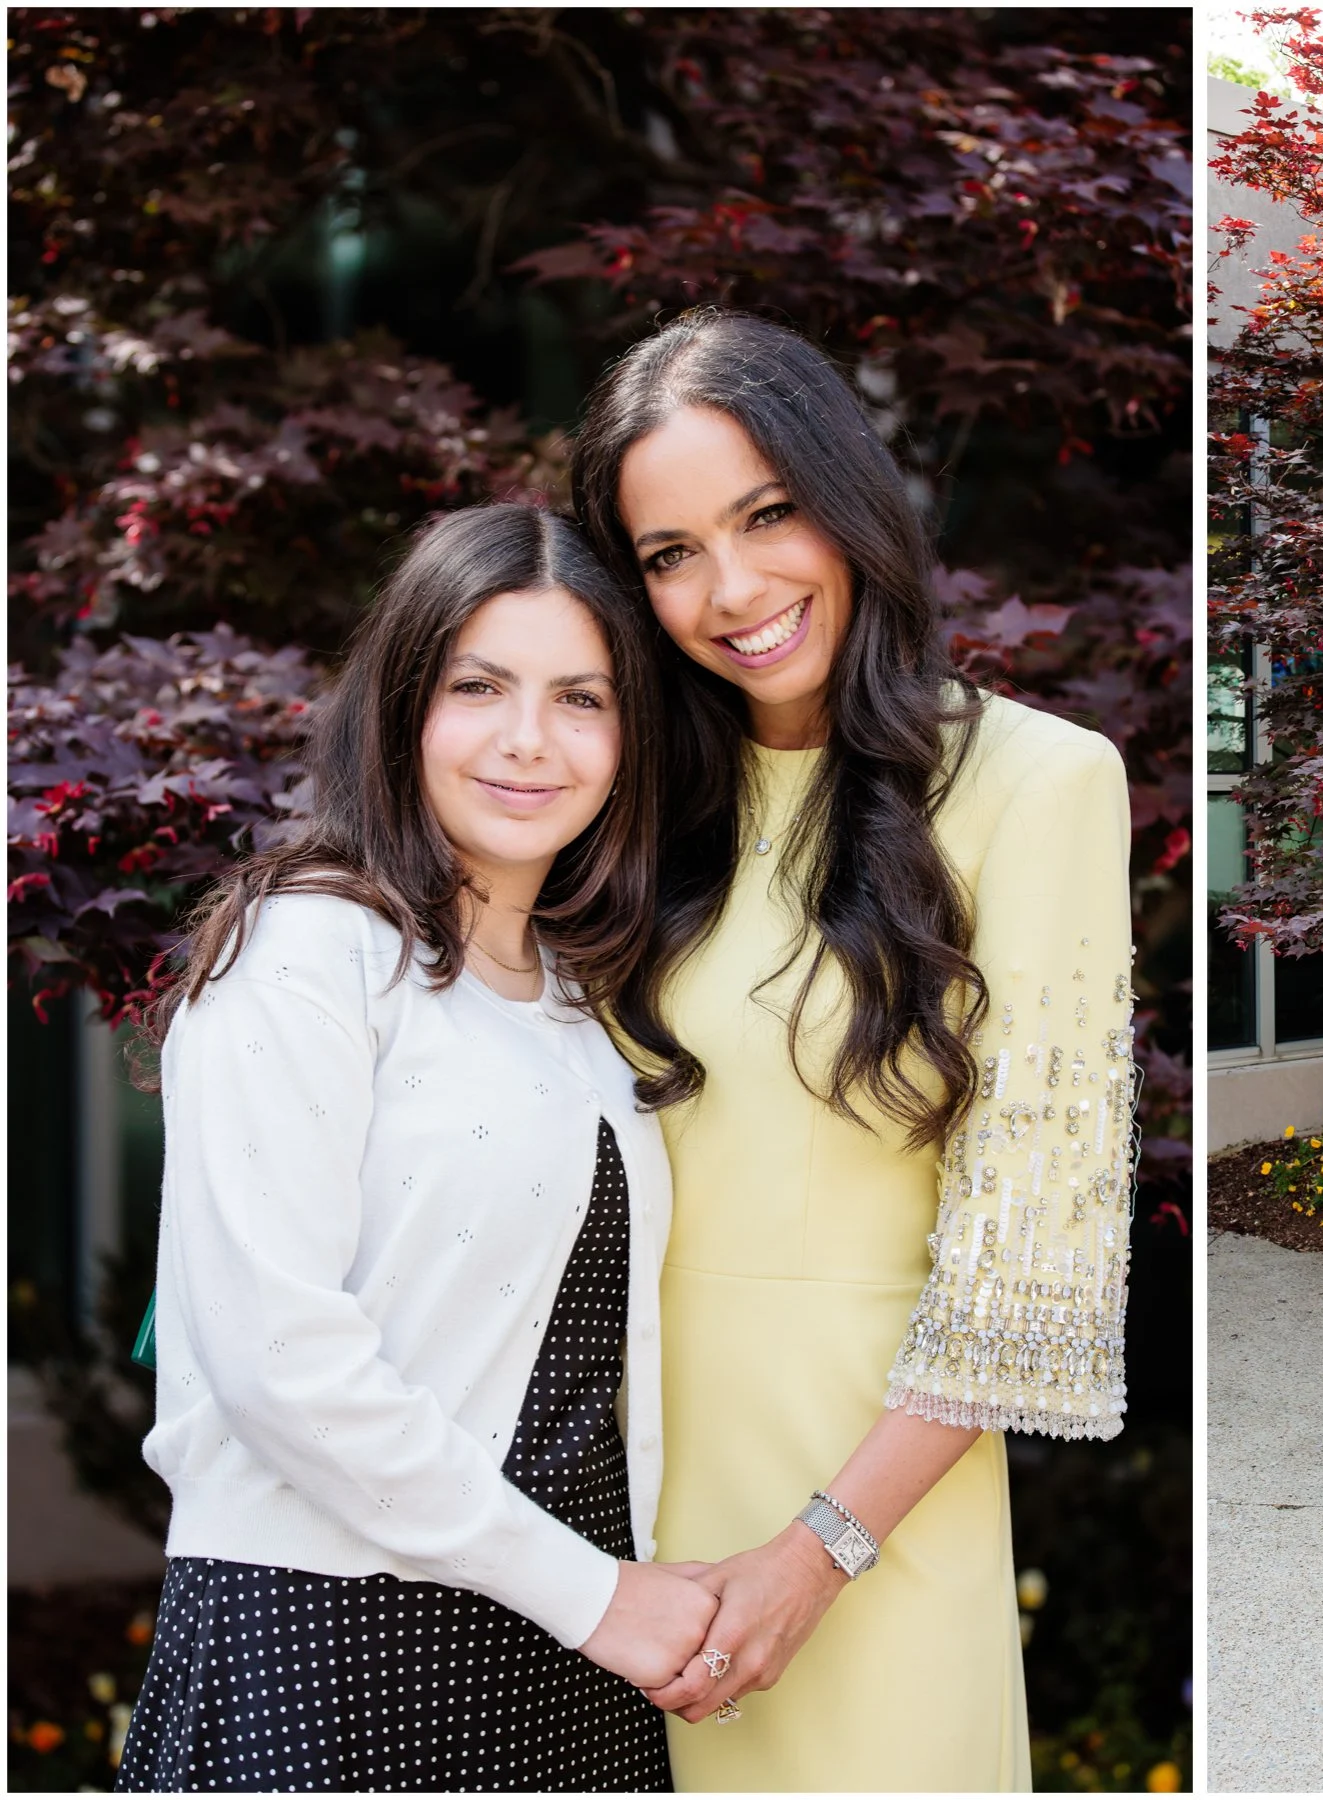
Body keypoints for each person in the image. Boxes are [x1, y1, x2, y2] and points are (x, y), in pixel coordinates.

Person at [569, 311, 1137, 1790]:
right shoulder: (612, 803)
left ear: (851, 500)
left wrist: (814, 1556)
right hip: (579, 1533)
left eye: (767, 515)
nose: (732, 588)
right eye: (669, 551)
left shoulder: (1037, 781)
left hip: (862, 1526)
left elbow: (1036, 1265)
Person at [119, 505, 715, 1791]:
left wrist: (613, 1597)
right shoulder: (303, 956)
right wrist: (597, 1595)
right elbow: (281, 1358)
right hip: (333, 1637)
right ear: (401, 707)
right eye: (478, 686)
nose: (528, 740)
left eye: (581, 698)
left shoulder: (581, 998)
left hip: (569, 1657)